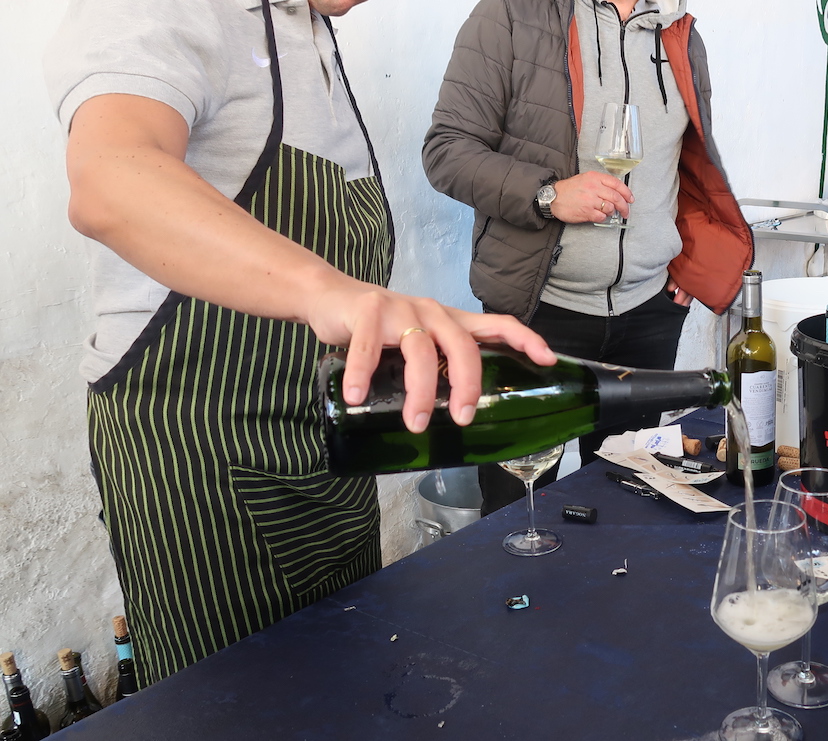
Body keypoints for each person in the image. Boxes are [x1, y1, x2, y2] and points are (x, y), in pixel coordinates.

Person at [44, 0, 554, 686]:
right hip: (205, 457)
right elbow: (111, 176)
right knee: (241, 703)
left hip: (329, 447)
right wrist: (327, 292)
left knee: (350, 677)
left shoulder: (309, 30)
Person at [423, 0, 753, 514]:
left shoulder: (681, 36)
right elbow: (446, 150)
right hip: (536, 316)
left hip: (649, 316)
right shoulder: (511, 13)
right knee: (519, 511)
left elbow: (686, 165)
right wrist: (548, 195)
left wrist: (686, 266)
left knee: (630, 505)